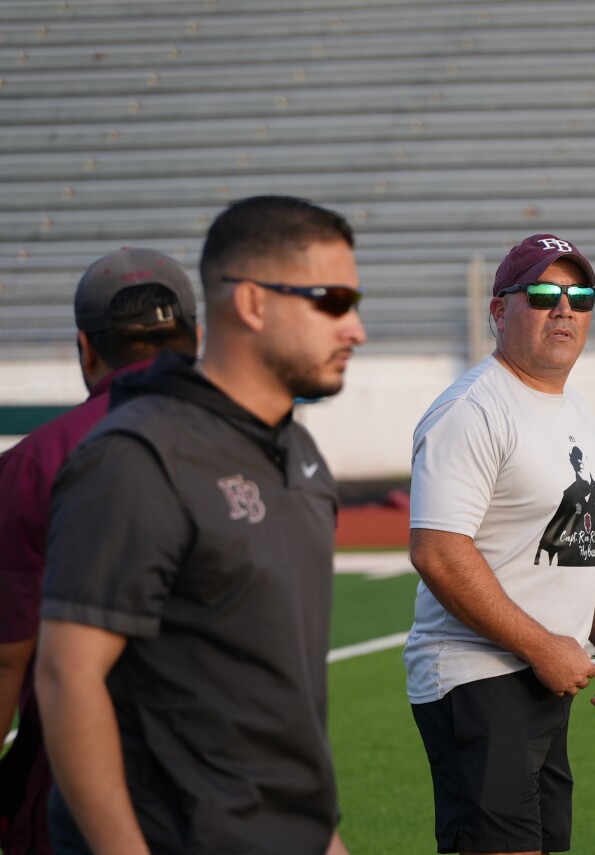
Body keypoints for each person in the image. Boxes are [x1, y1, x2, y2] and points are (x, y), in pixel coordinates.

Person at [35, 195, 366, 855]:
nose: (354, 328)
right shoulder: (137, 457)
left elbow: (273, 693)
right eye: (331, 300)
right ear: (252, 302)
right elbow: (67, 677)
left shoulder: (300, 455)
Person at [405, 233, 595, 855]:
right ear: (500, 311)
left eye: (579, 296)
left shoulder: (572, 407)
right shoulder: (472, 410)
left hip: (541, 674)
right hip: (478, 677)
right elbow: (437, 552)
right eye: (542, 294)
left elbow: (576, 539)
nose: (564, 309)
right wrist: (542, 646)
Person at [0, 246, 200, 855]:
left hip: (75, 779)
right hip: (232, 777)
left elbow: (9, 656)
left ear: (86, 348)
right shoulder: (267, 448)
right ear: (195, 338)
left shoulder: (31, 464)